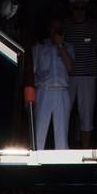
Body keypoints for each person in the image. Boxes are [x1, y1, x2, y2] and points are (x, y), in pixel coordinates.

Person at [64, 0, 97, 149]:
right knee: (64, 112)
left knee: (86, 114)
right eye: (77, 7)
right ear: (71, 8)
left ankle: (85, 148)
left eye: (82, 8)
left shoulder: (93, 26)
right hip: (68, 77)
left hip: (88, 76)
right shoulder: (66, 25)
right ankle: (62, 146)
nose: (79, 10)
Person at [31, 17, 72, 150]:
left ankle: (62, 162)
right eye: (54, 28)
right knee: (39, 131)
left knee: (62, 133)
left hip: (62, 91)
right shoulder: (39, 47)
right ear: (49, 29)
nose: (56, 31)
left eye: (58, 29)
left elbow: (70, 67)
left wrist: (60, 46)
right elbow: (33, 71)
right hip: (44, 90)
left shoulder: (68, 47)